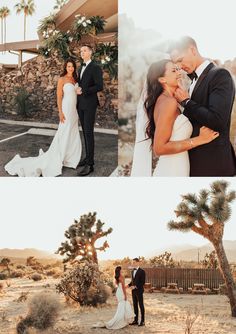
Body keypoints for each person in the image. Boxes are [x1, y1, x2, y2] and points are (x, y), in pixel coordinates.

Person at [131, 59, 219, 176]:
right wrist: (199, 140)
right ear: (162, 79)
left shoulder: (170, 100)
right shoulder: (168, 102)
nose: (179, 73)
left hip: (178, 167)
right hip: (171, 171)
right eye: (173, 71)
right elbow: (159, 148)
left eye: (177, 69)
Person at [169, 36, 236, 176]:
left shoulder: (220, 75)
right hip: (194, 161)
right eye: (176, 63)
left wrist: (186, 102)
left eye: (180, 60)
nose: (180, 67)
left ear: (192, 50)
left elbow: (217, 120)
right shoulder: (192, 80)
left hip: (213, 163)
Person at [5, 59, 81, 177]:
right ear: (65, 67)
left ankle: (70, 158)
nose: (70, 68)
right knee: (63, 133)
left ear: (74, 68)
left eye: (72, 66)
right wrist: (60, 112)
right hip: (66, 109)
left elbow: (75, 94)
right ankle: (58, 157)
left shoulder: (74, 79)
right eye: (68, 66)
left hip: (73, 111)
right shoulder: (62, 79)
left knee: (72, 133)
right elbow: (59, 97)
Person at [76, 45, 103, 176]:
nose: (82, 52)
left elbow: (99, 86)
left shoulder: (95, 67)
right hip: (80, 105)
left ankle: (90, 164)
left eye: (84, 50)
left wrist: (84, 91)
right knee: (85, 133)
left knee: (88, 133)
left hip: (90, 104)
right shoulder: (80, 67)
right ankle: (87, 157)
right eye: (81, 51)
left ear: (90, 52)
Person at [127, 258, 146, 326]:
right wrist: (128, 285)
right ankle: (135, 320)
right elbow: (133, 281)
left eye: (134, 262)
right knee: (135, 305)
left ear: (138, 263)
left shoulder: (142, 271)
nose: (133, 263)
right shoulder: (132, 271)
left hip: (139, 291)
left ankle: (143, 321)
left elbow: (142, 282)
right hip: (133, 291)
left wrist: (135, 286)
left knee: (141, 305)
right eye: (133, 262)